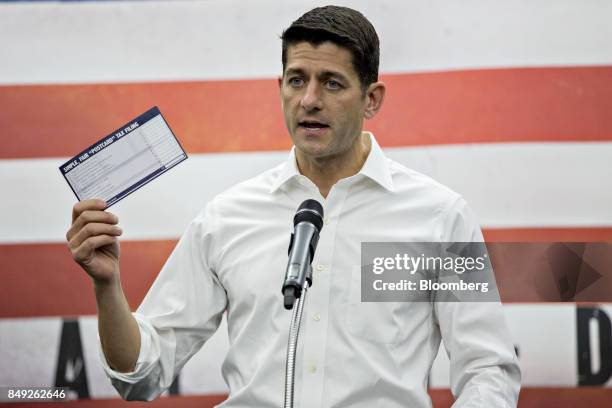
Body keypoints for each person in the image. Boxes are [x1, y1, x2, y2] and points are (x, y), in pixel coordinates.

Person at [66, 5, 520, 407]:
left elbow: (488, 370)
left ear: (372, 99)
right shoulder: (227, 217)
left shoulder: (439, 216)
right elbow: (141, 376)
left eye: (332, 83)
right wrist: (108, 287)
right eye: (296, 80)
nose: (309, 100)